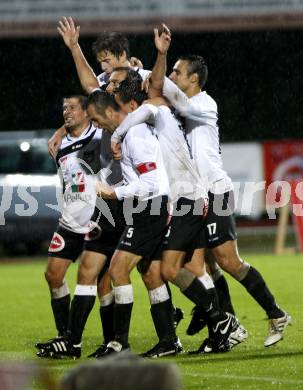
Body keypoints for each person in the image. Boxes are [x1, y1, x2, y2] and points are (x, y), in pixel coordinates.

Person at [151, 24, 291, 350]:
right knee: (196, 266)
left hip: (215, 191)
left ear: (193, 79)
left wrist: (156, 58)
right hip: (192, 195)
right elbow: (160, 92)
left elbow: (161, 87)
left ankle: (275, 313)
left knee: (227, 261)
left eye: (178, 72)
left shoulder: (203, 104)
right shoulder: (176, 110)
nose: (173, 76)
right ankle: (224, 326)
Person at [110, 37, 246, 354]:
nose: (163, 81)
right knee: (195, 267)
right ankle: (218, 327)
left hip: (188, 198)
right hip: (186, 198)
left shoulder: (157, 110)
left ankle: (224, 321)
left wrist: (117, 134)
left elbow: (143, 107)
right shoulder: (164, 112)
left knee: (172, 269)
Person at [87, 90, 180, 358]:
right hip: (147, 205)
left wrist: (113, 193)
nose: (96, 126)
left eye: (96, 119)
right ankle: (169, 341)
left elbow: (150, 181)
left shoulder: (135, 135)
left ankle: (120, 343)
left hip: (151, 206)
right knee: (150, 272)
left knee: (117, 270)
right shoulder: (126, 135)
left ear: (109, 112)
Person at [36, 95, 125, 359]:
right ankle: (66, 336)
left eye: (72, 107)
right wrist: (60, 132)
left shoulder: (100, 134)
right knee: (53, 274)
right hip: (70, 221)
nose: (66, 112)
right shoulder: (59, 146)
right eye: (63, 108)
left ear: (88, 112)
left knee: (103, 284)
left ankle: (111, 340)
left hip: (98, 220)